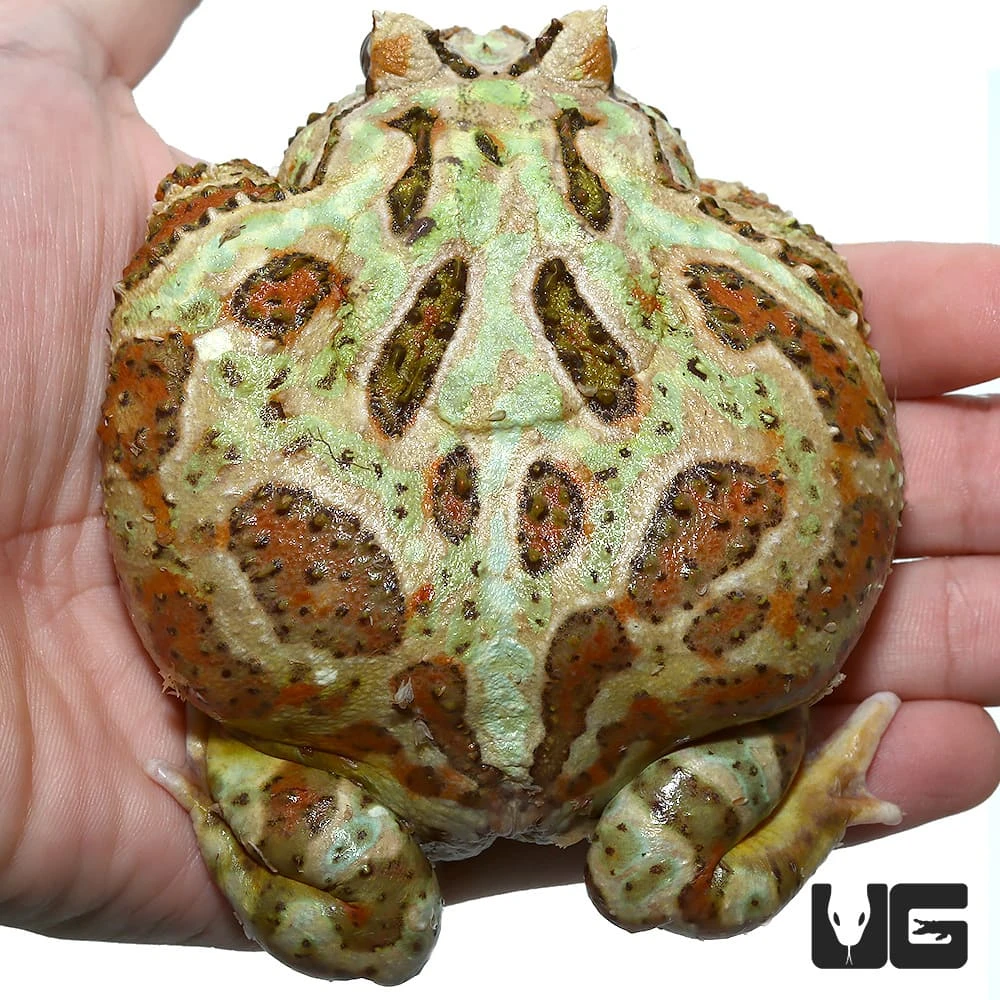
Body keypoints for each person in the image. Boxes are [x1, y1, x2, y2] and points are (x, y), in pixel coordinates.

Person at [1, 0, 997, 952]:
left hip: (332, 756)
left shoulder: (266, 252)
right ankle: (711, 827)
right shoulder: (711, 244)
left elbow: (177, 271)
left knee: (377, 925)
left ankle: (321, 848)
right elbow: (814, 301)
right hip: (655, 743)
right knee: (654, 869)